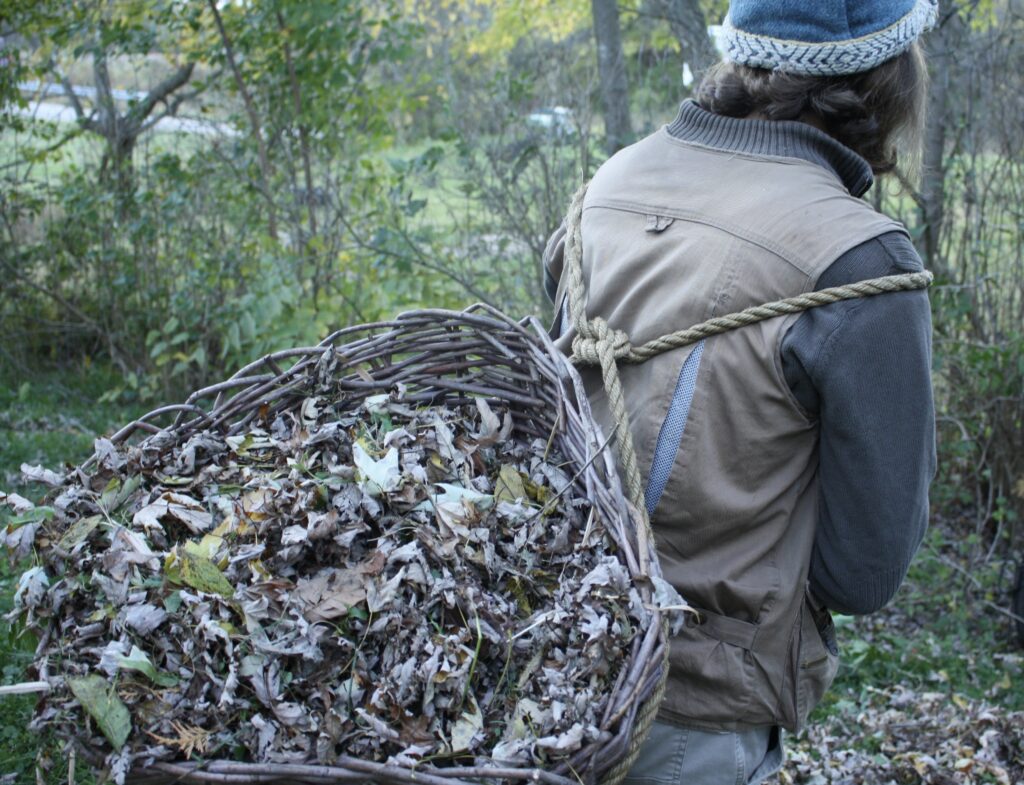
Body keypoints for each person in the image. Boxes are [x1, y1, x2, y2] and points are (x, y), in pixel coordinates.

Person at [541, 2, 939, 783]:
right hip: (689, 720)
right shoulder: (859, 262)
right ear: (891, 76)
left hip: (551, 666)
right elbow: (865, 571)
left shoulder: (610, 181)